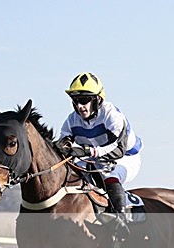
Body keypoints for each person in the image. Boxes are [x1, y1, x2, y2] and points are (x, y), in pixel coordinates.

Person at [55, 72, 143, 238]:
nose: (80, 106)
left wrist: (90, 151)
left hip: (126, 157)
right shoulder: (72, 120)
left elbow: (119, 149)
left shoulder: (112, 115)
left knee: (111, 176)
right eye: (76, 101)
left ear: (97, 100)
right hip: (95, 160)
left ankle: (120, 219)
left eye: (84, 100)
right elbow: (62, 145)